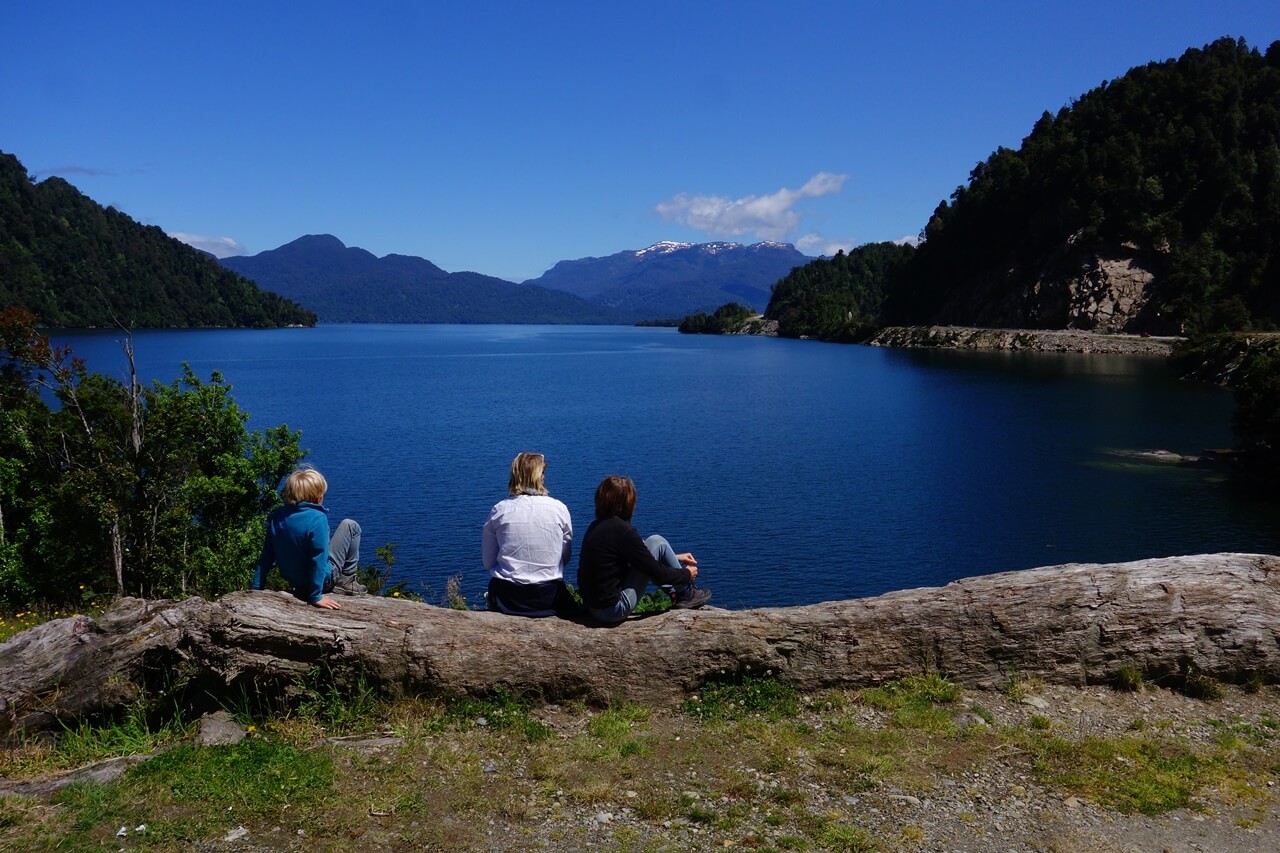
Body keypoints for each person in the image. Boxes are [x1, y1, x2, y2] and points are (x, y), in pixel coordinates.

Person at [577, 474, 711, 626]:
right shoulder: (623, 531)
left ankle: (682, 593)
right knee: (656, 541)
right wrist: (686, 574)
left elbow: (638, 555)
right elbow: (656, 571)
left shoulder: (596, 526)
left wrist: (675, 557)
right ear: (628, 503)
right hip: (611, 611)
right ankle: (686, 593)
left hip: (591, 606)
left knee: (656, 542)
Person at [251, 466, 364, 609]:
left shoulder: (276, 516)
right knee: (350, 526)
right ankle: (347, 581)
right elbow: (319, 558)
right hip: (322, 582)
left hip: (296, 581)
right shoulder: (318, 519)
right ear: (318, 498)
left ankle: (339, 582)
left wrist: (256, 586)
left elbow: (266, 556)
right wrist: (315, 596)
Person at [483, 452, 576, 617]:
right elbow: (565, 558)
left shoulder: (499, 510)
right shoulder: (559, 509)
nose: (544, 477)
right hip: (548, 597)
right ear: (537, 477)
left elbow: (488, 563)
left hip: (508, 598)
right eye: (542, 473)